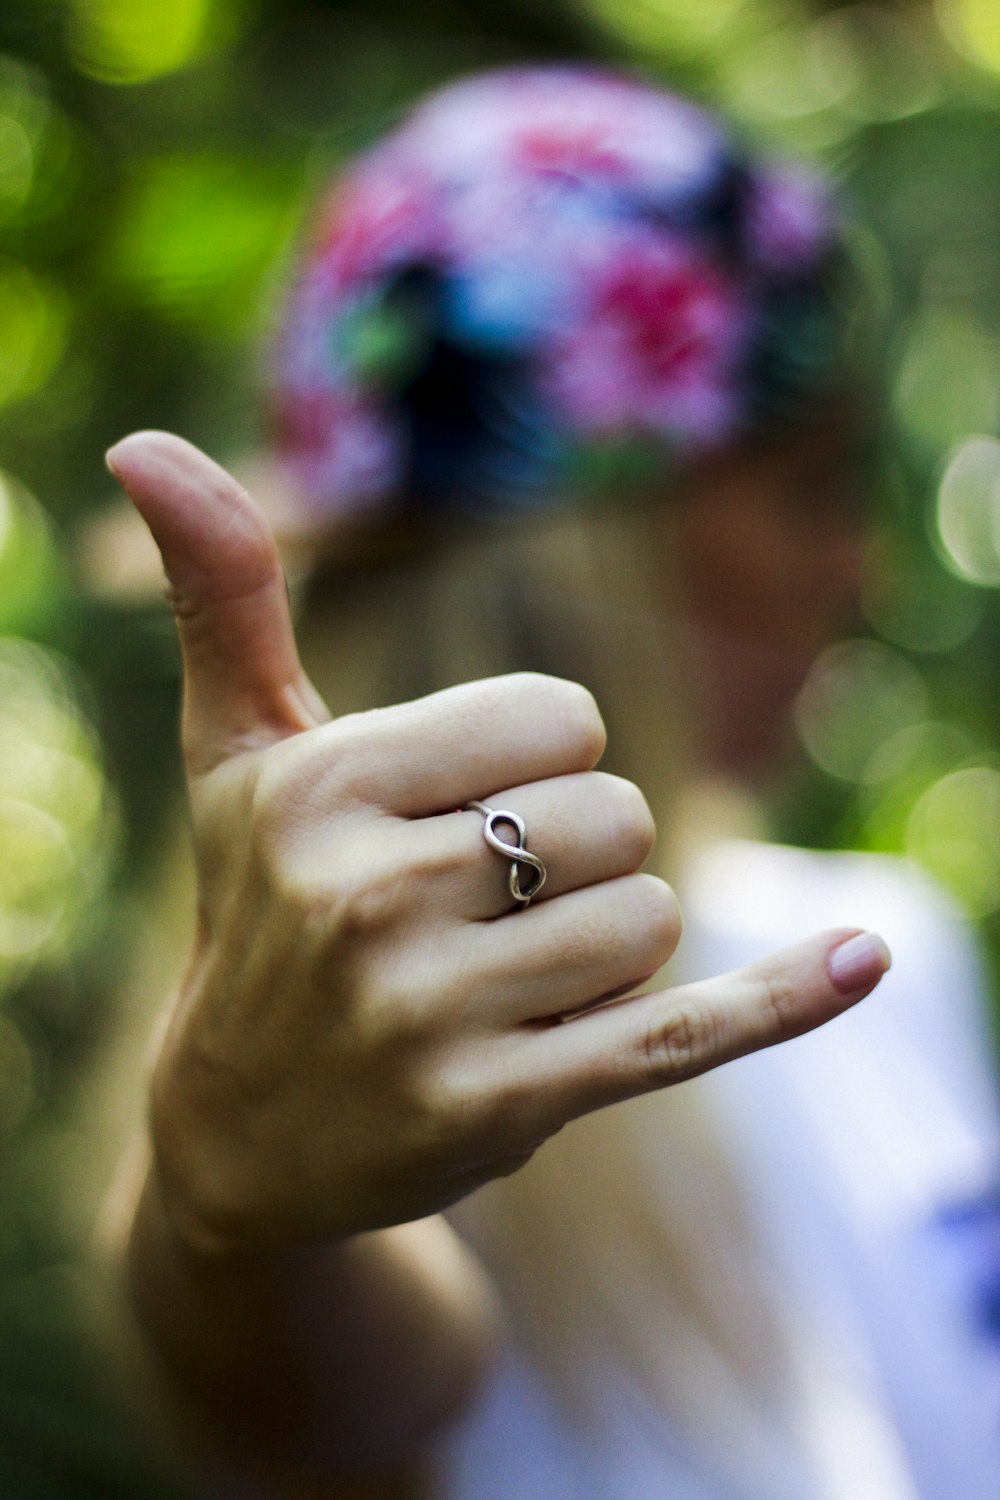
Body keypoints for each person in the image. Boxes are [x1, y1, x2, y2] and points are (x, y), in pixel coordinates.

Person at [103, 67, 1000, 1499]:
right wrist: (234, 1218)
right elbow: (301, 1383)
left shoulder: (885, 947)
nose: (863, 567)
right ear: (596, 536)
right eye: (811, 483)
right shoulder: (361, 1039)